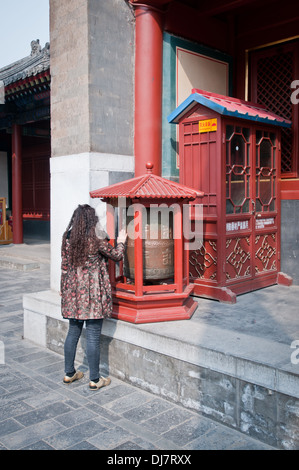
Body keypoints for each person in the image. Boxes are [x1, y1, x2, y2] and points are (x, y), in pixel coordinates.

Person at [60, 204, 126, 390]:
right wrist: (121, 240)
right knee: (93, 335)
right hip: (93, 292)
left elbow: (64, 266)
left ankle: (69, 373)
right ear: (91, 220)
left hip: (72, 292)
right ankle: (95, 379)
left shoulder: (67, 237)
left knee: (73, 332)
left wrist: (62, 289)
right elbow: (117, 255)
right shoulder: (96, 238)